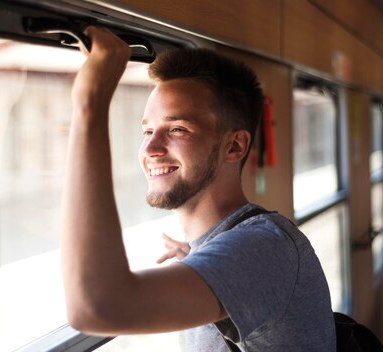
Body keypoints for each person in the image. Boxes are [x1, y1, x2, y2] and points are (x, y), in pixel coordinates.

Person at [60, 26, 336, 351]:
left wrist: (89, 103)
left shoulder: (264, 248)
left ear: (234, 146)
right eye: (147, 131)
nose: (150, 149)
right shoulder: (223, 252)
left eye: (177, 129)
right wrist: (203, 257)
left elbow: (98, 307)